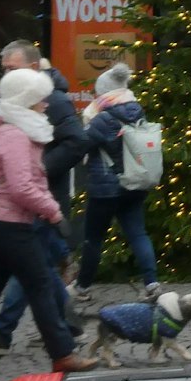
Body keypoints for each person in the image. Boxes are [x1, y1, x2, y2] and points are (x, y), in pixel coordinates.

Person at [0, 70, 99, 381]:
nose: (45, 103)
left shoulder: (7, 130)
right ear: (26, 101)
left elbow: (24, 183)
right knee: (41, 283)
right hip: (9, 226)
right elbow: (22, 188)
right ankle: (63, 354)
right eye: (39, 98)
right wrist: (54, 213)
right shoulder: (15, 135)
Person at [0, 41, 90, 355]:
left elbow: (77, 141)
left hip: (40, 196)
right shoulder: (14, 98)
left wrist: (38, 169)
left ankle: (3, 329)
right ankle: (65, 326)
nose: (5, 75)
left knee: (32, 266)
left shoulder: (53, 100)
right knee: (38, 265)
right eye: (4, 70)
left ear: (31, 68)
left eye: (12, 69)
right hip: (27, 199)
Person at [71, 64, 159, 304]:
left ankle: (82, 287)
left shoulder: (102, 117)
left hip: (105, 187)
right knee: (138, 233)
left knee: (93, 238)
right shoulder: (137, 111)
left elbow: (83, 145)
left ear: (105, 92)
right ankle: (152, 284)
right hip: (134, 183)